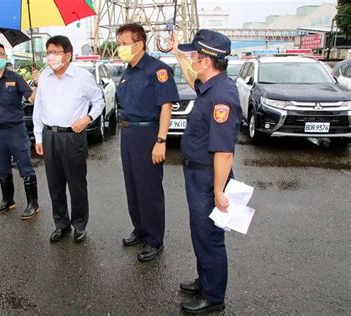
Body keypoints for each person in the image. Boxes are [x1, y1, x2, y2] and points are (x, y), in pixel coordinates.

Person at [170, 30, 241, 313]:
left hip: (208, 176)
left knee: (209, 236)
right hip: (197, 173)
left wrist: (219, 191)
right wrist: (177, 52)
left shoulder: (222, 96)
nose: (191, 61)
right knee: (200, 233)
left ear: (207, 61)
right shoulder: (210, 84)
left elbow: (224, 152)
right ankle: (205, 280)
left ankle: (213, 297)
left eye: (194, 57)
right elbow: (190, 78)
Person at [116, 23, 179, 262]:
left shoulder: (157, 70)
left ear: (139, 43)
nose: (120, 48)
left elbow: (166, 106)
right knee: (132, 186)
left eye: (124, 43)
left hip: (148, 134)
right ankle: (140, 228)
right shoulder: (128, 72)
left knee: (149, 189)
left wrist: (161, 140)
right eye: (119, 43)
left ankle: (155, 239)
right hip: (128, 134)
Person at [33, 35, 105, 243]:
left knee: (76, 185)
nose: (50, 56)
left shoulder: (82, 77)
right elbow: (39, 108)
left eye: (55, 52)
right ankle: (61, 224)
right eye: (48, 52)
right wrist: (38, 136)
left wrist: (88, 118)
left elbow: (98, 101)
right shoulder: (45, 76)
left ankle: (79, 225)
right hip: (49, 135)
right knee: (55, 184)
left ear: (68, 55)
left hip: (72, 137)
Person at [0, 42, 40, 220]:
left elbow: (32, 99)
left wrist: (37, 83)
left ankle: (33, 204)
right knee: (2, 169)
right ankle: (8, 200)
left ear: (5, 56)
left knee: (25, 168)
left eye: (0, 54)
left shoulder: (16, 78)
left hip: (16, 131)